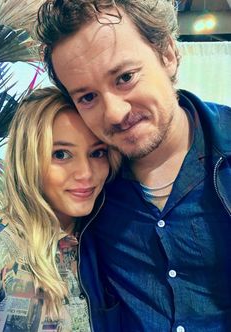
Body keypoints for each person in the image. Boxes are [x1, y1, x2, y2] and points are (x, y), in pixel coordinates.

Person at [36, 1, 231, 331]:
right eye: (87, 97)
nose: (113, 113)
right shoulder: (87, 188)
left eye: (125, 77)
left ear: (168, 54)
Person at [0, 87, 120, 332]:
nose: (86, 173)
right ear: (28, 159)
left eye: (97, 153)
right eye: (61, 154)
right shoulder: (2, 246)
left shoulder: (110, 238)